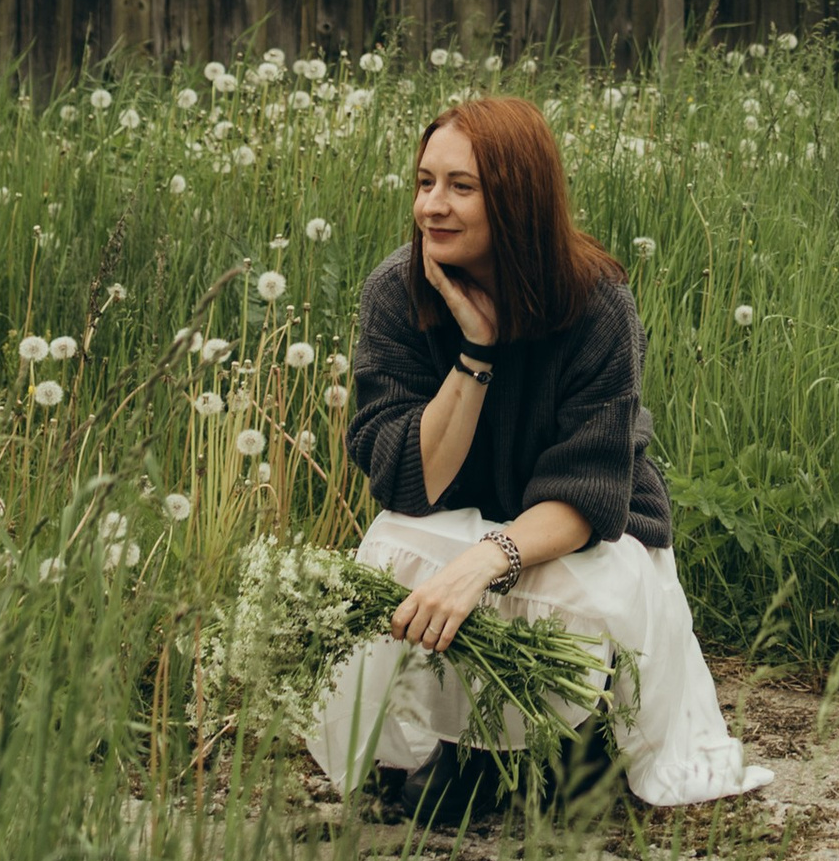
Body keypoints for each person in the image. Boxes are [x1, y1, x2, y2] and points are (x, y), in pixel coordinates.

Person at [305, 92, 769, 808]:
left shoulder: (597, 304)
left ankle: (575, 739)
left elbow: (587, 498)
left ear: (517, 198)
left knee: (566, 584)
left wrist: (485, 561)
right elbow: (412, 480)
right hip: (456, 517)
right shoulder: (397, 293)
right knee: (394, 545)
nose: (433, 204)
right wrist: (476, 351)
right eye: (425, 181)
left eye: (462, 186)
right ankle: (466, 745)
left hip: (585, 538)